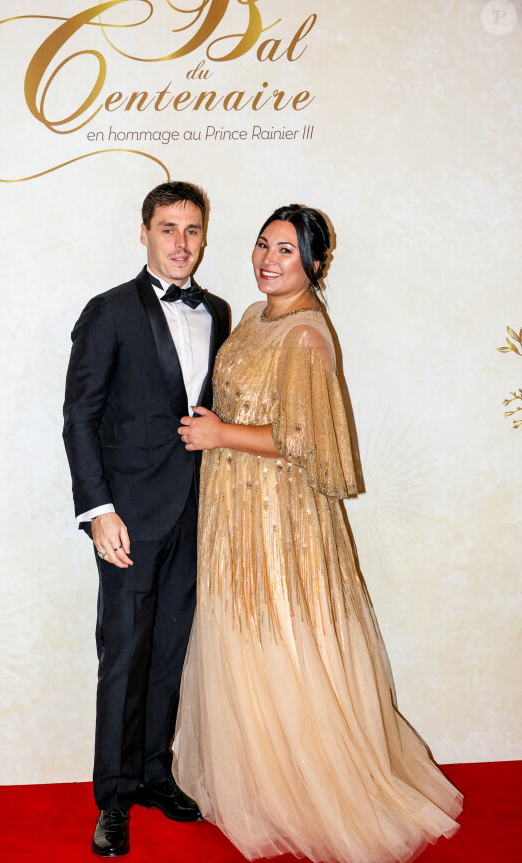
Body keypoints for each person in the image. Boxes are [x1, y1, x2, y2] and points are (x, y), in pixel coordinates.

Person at [172, 205, 463, 862]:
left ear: (315, 263)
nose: (267, 259)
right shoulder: (252, 316)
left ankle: (308, 789)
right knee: (241, 632)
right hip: (235, 505)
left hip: (280, 515)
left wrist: (219, 434)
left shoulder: (307, 334)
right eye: (261, 244)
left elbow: (304, 439)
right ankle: (264, 782)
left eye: (284, 250)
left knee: (283, 633)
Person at [62, 181, 230, 857]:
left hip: (198, 511)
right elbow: (80, 417)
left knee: (170, 650)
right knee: (124, 655)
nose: (181, 243)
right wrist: (99, 511)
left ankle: (157, 773)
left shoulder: (217, 310)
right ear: (144, 233)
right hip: (128, 517)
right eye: (168, 229)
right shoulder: (107, 313)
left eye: (192, 230)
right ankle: (114, 795)